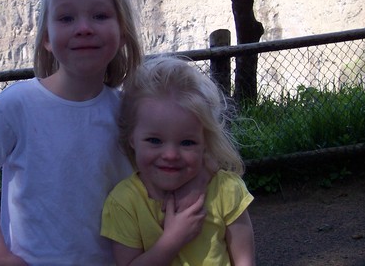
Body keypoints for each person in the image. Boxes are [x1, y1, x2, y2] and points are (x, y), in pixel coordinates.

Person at [0, 0, 144, 265]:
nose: (84, 27)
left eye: (100, 15)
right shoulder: (15, 107)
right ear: (46, 37)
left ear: (122, 30)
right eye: (66, 18)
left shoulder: (130, 113)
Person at [101, 56, 255, 266]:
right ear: (132, 139)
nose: (171, 155)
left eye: (187, 143)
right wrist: (172, 241)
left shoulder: (226, 190)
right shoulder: (124, 203)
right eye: (155, 140)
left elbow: (244, 259)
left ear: (204, 143)